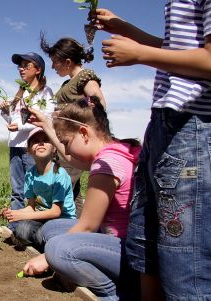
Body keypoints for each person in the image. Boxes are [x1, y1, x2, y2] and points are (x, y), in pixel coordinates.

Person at [94, 0, 211, 300]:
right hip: (165, 126)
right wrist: (127, 31)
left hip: (190, 128)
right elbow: (176, 49)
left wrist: (140, 55)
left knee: (185, 264)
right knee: (145, 246)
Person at [22, 96, 141, 301]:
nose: (66, 150)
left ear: (84, 133)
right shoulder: (116, 150)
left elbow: (87, 226)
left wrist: (46, 258)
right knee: (52, 229)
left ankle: (113, 293)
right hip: (115, 241)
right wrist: (46, 125)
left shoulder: (105, 165)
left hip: (127, 252)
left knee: (57, 249)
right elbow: (72, 158)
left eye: (67, 142)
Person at [40, 34, 107, 211]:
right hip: (65, 144)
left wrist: (65, 113)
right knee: (70, 189)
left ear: (67, 61)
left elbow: (98, 103)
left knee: (63, 187)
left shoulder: (85, 77)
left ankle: (70, 227)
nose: (53, 66)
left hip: (74, 143)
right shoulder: (69, 82)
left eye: (55, 61)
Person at [0, 52, 54, 231]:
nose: (21, 69)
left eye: (26, 66)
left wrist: (20, 128)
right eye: (20, 66)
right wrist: (5, 111)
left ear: (38, 70)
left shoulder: (46, 93)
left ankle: (32, 230)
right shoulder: (19, 94)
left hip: (32, 148)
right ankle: (15, 229)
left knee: (36, 192)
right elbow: (11, 120)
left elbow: (48, 119)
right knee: (17, 191)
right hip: (15, 146)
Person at [0, 127, 75, 251]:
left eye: (45, 140)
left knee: (40, 233)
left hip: (62, 221)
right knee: (22, 229)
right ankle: (50, 245)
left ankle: (55, 244)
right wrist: (12, 213)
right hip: (42, 220)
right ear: (29, 150)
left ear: (54, 148)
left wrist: (21, 216)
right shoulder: (30, 174)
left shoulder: (59, 174)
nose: (40, 143)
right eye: (35, 141)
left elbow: (56, 212)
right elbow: (31, 206)